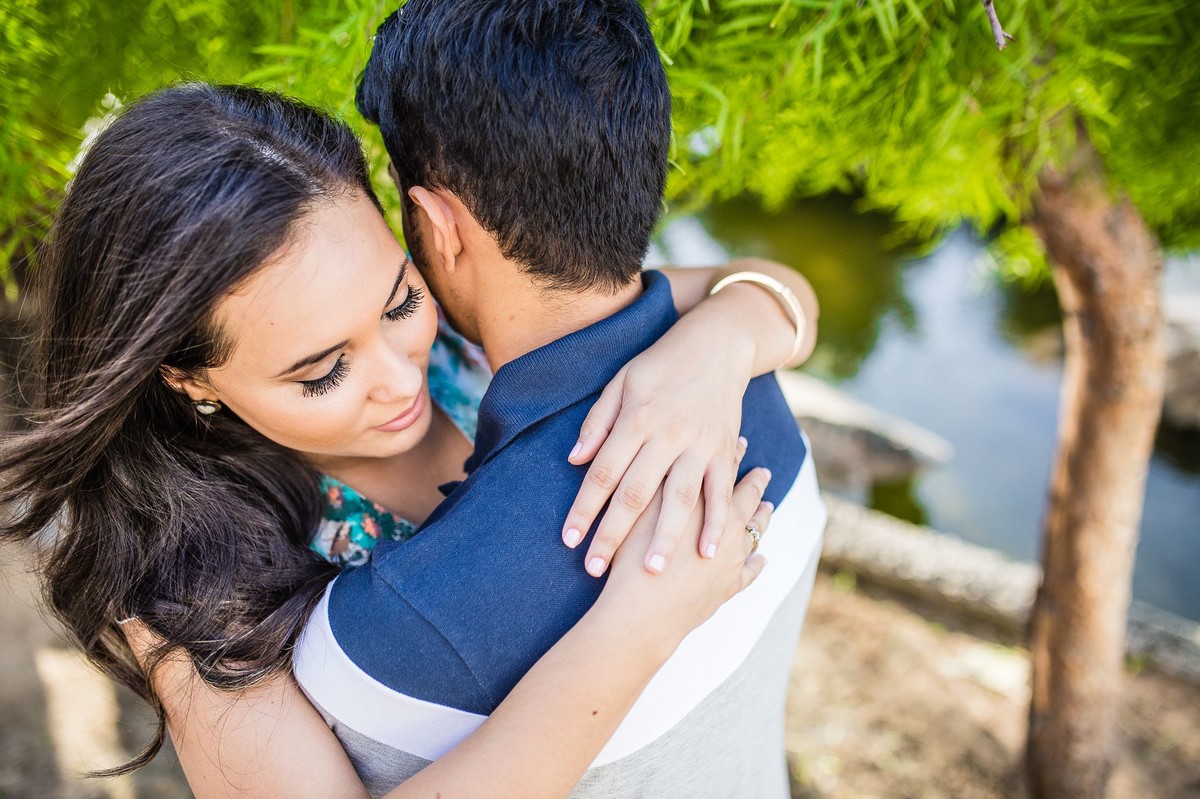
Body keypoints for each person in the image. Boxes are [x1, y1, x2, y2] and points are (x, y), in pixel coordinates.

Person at [0, 85, 818, 799]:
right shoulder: (186, 589)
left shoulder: (471, 342)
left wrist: (720, 343)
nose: (401, 377)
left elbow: (783, 289)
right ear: (190, 379)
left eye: (400, 301)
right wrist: (640, 623)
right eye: (322, 370)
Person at [293, 1, 827, 797]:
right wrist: (730, 335)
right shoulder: (762, 403)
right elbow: (776, 294)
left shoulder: (380, 640)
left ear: (437, 224)